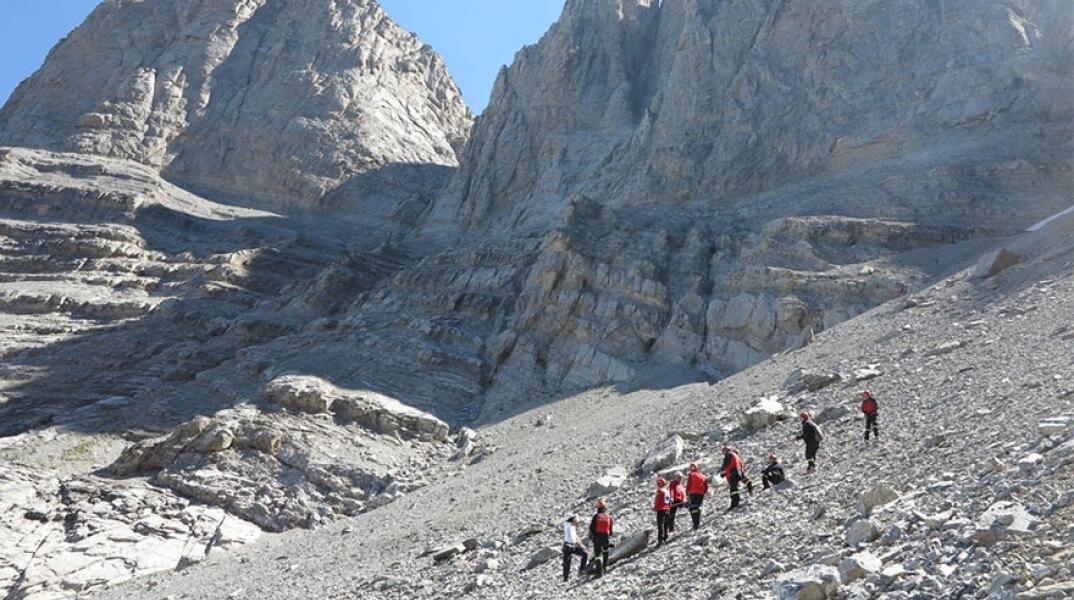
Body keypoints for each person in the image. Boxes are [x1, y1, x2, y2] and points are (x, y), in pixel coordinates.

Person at [719, 445, 753, 510]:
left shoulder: (729, 454)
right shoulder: (735, 456)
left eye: (723, 450)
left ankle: (735, 502)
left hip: (732, 473)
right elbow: (731, 465)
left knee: (733, 489)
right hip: (737, 471)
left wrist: (721, 469)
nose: (723, 452)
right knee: (742, 480)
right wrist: (724, 473)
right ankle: (749, 483)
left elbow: (726, 464)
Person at [588, 499, 613, 577]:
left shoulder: (596, 516)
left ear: (598, 509)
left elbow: (592, 528)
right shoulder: (609, 517)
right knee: (605, 552)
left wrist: (592, 537)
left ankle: (599, 572)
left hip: (597, 538)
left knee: (598, 555)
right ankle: (605, 568)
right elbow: (611, 531)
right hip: (606, 538)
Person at [562, 513, 588, 582]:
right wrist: (581, 545)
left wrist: (581, 544)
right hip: (568, 546)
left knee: (567, 563)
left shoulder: (571, 525)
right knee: (567, 563)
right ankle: (566, 578)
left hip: (570, 546)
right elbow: (575, 539)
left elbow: (576, 536)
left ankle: (581, 570)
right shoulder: (569, 525)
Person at [685, 463, 708, 530]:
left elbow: (689, 485)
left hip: (693, 493)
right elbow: (706, 486)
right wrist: (703, 492)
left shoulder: (691, 475)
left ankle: (695, 524)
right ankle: (698, 522)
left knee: (692, 508)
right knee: (697, 507)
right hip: (701, 494)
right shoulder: (703, 476)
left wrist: (687, 493)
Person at [653, 478, 671, 545]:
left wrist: (655, 508)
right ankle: (666, 536)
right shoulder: (667, 491)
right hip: (667, 509)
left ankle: (661, 539)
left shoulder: (659, 491)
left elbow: (658, 501)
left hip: (661, 510)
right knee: (666, 524)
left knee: (660, 525)